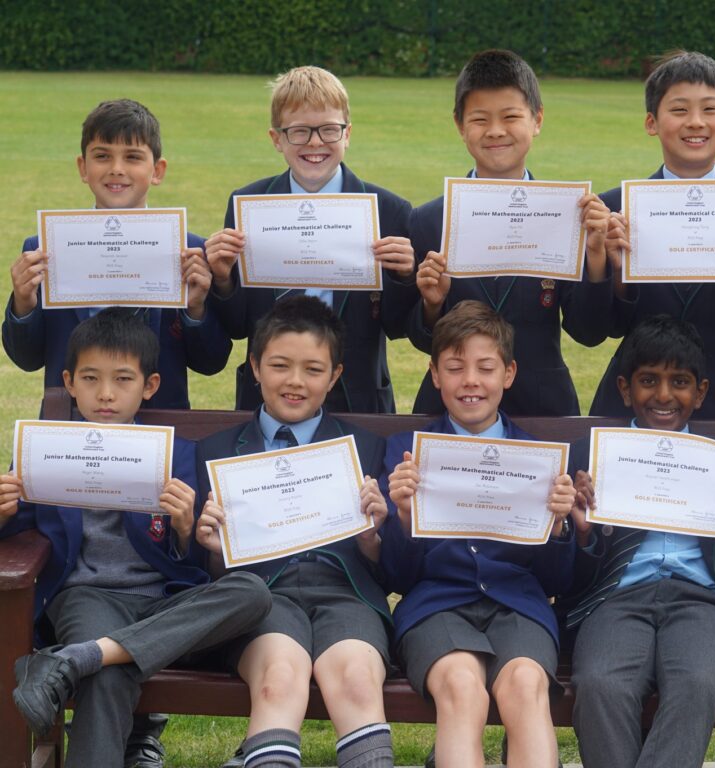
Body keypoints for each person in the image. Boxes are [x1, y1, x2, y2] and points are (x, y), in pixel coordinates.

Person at [0, 309, 271, 768]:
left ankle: (76, 658)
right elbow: (18, 529)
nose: (106, 394)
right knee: (105, 676)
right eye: (90, 378)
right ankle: (88, 657)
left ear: (148, 386)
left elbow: (187, 559)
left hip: (164, 599)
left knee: (252, 592)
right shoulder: (47, 450)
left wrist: (186, 528)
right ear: (69, 382)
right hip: (87, 596)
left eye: (123, 379)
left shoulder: (176, 455)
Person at [196, 295, 394, 768]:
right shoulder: (217, 451)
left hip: (345, 594)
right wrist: (211, 547)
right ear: (256, 367)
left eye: (312, 369)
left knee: (357, 680)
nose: (295, 382)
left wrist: (374, 534)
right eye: (280, 365)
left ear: (335, 376)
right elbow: (208, 574)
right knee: (279, 677)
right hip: (263, 595)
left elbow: (389, 568)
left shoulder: (364, 449)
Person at [381, 300, 576, 768]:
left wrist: (560, 524)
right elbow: (395, 575)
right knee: (462, 689)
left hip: (518, 604)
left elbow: (557, 581)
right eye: (454, 367)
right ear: (434, 375)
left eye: (485, 368)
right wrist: (404, 518)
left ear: (508, 374)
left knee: (526, 687)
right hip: (436, 603)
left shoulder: (538, 459)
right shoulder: (406, 454)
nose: (471, 380)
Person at [562, 315, 715, 768]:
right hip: (616, 596)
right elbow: (567, 570)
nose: (664, 395)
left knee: (700, 682)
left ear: (701, 392)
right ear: (626, 388)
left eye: (680, 382)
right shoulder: (593, 455)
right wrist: (585, 530)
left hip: (701, 601)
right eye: (649, 381)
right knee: (599, 684)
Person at [406, 49, 614, 416]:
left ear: (537, 119)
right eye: (480, 119)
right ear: (459, 125)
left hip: (543, 406)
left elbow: (590, 332)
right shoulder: (427, 221)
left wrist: (596, 257)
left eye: (511, 116)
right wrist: (432, 305)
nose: (496, 131)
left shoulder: (568, 215)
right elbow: (423, 340)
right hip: (450, 408)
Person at [204, 65, 417, 413]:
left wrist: (404, 277)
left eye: (329, 130)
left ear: (347, 134)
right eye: (299, 131)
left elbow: (397, 326)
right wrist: (224, 279)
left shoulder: (389, 210)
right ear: (277, 139)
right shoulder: (249, 205)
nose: (316, 142)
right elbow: (239, 326)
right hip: (268, 395)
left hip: (358, 397)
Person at [589, 51, 715, 421]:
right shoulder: (615, 210)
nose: (695, 123)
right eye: (679, 110)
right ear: (651, 122)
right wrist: (613, 269)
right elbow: (603, 328)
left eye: (709, 110)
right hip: (635, 397)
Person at [2, 98, 230, 411]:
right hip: (70, 423)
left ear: (157, 170)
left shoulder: (190, 253)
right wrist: (24, 304)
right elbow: (26, 359)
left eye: (133, 157)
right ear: (83, 167)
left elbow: (211, 361)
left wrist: (196, 309)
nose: (117, 169)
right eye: (102, 156)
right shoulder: (45, 248)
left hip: (160, 423)